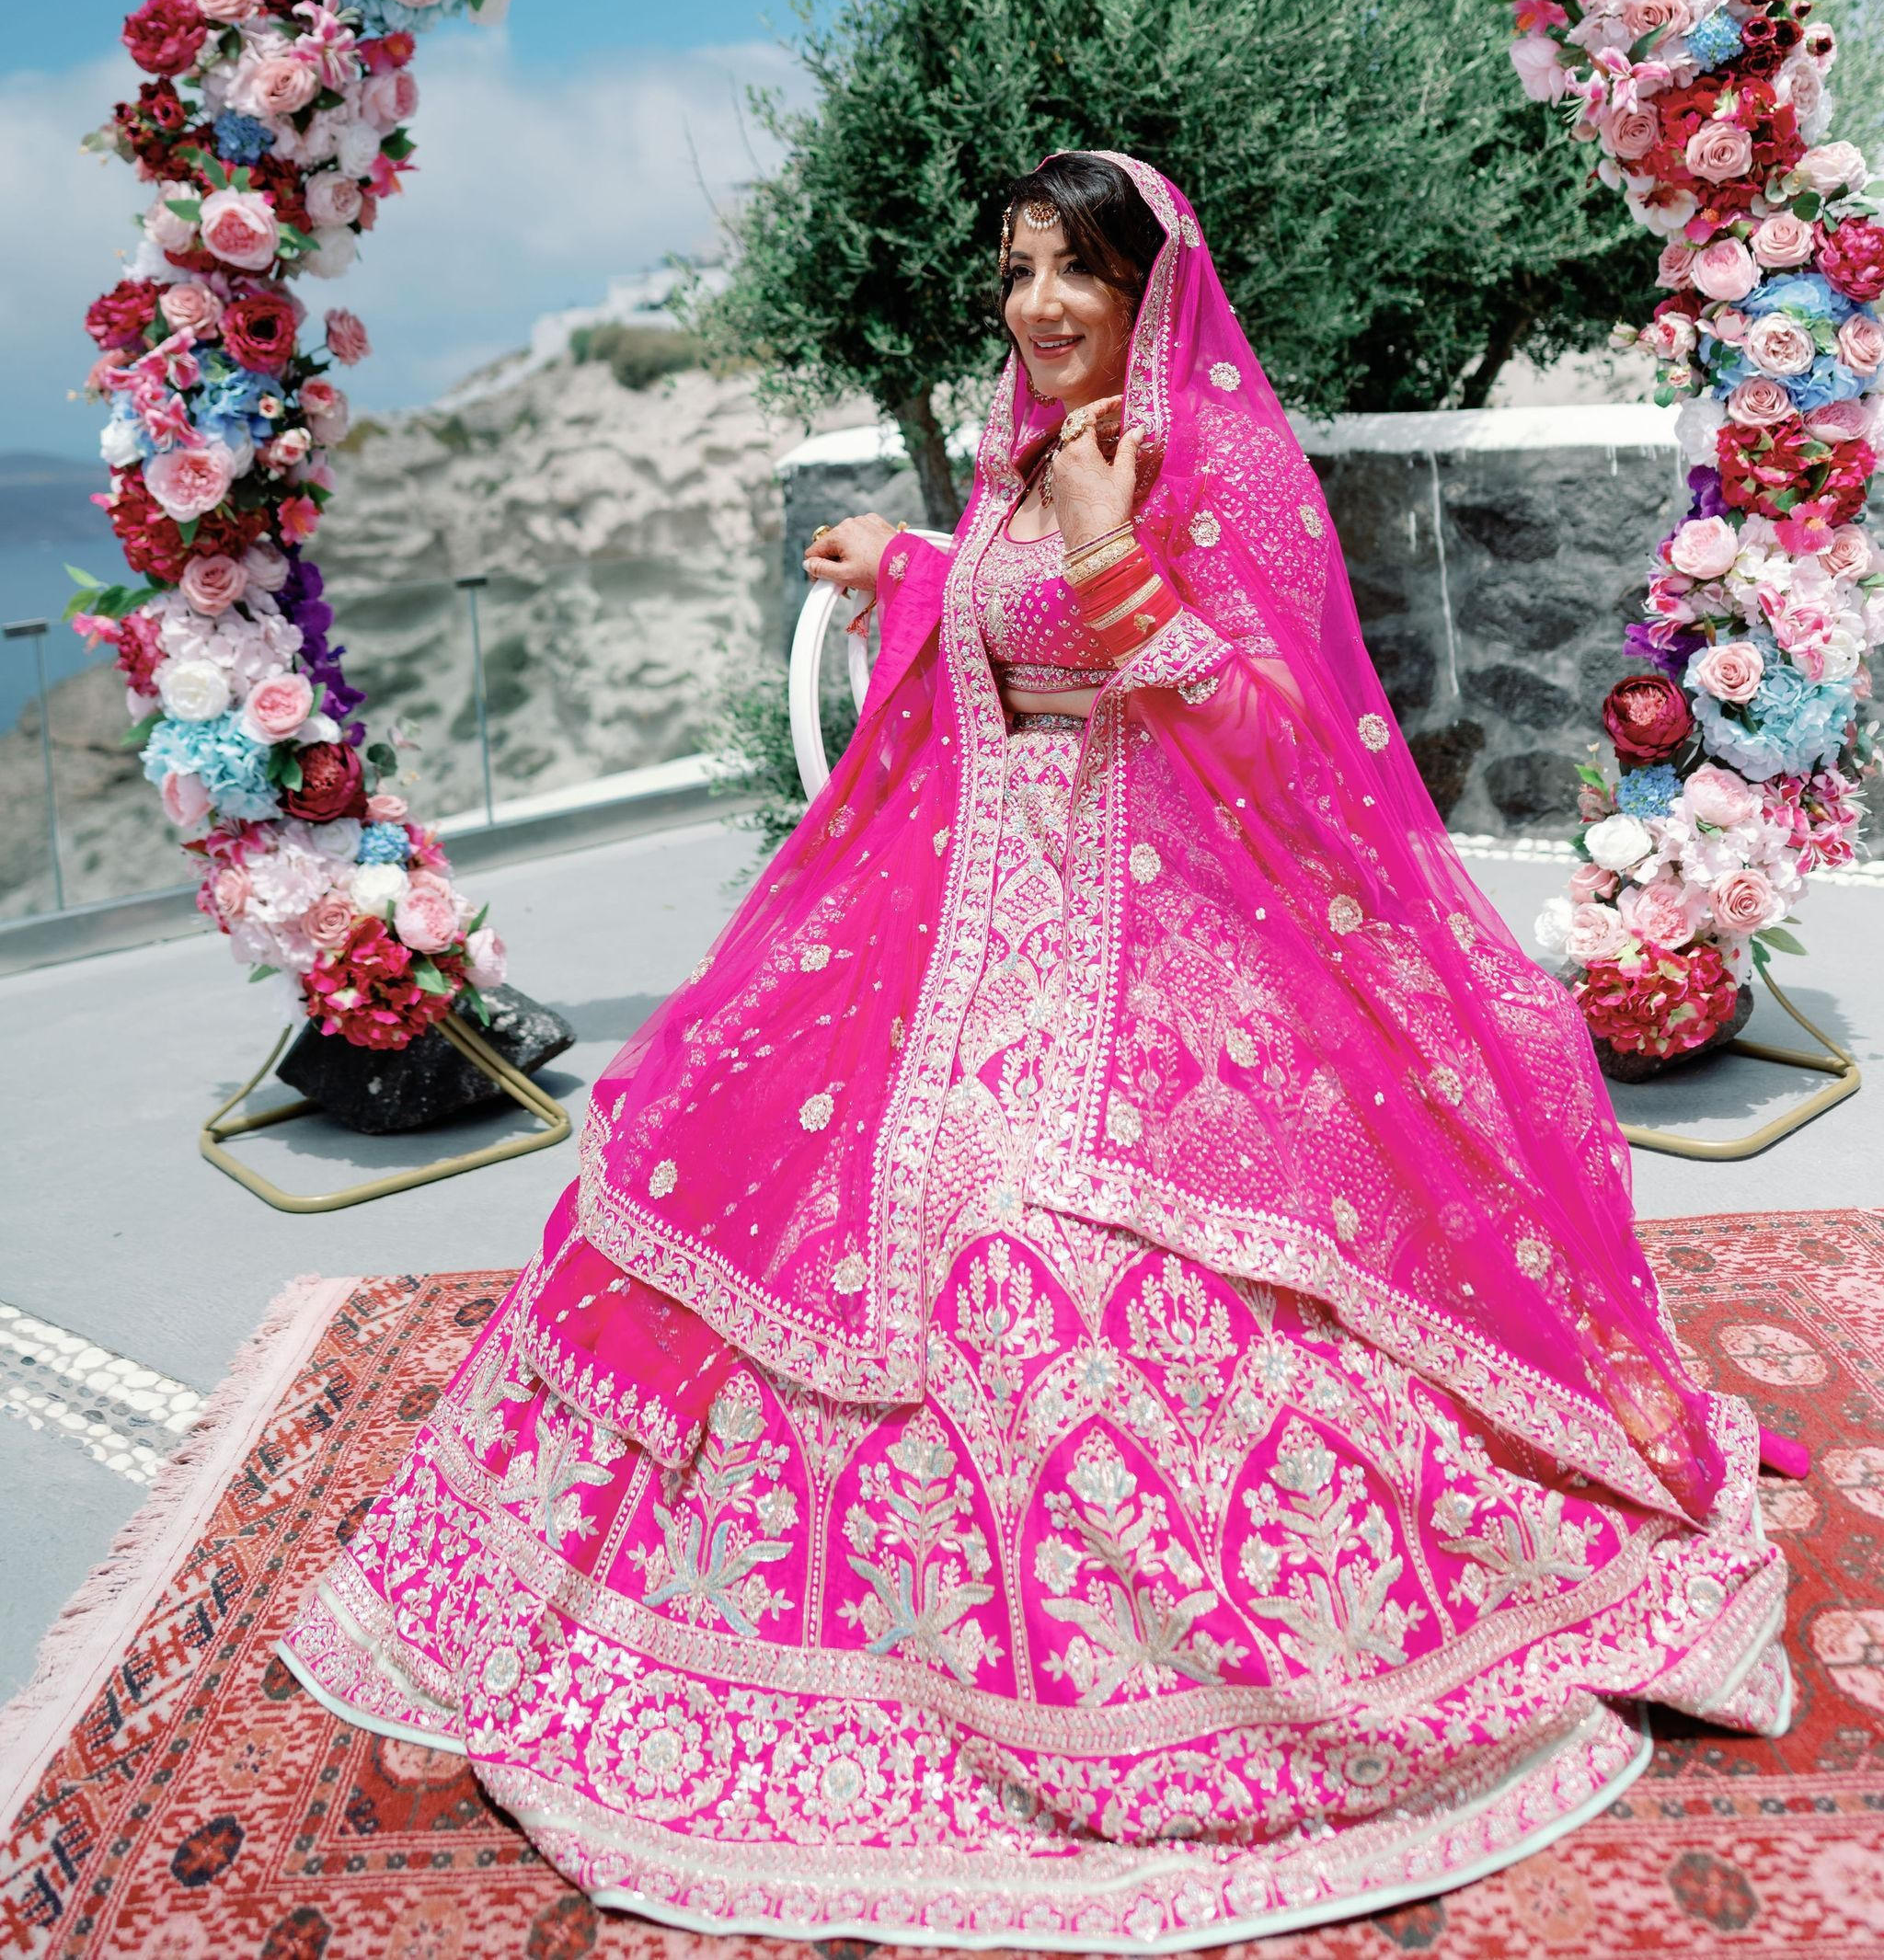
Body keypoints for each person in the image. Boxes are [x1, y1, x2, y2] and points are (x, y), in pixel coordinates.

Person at [285, 151, 1789, 1946]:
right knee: (718, 1155)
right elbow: (1022, 640)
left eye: (1078, 270)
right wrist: (914, 562)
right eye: (1014, 270)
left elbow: (1271, 735)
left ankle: (1127, 1695)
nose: (1040, 306)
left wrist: (1101, 544)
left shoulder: (1216, 468)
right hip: (981, 951)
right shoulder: (1033, 445)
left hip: (1168, 965)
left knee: (1011, 1258)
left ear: (1156, 287)